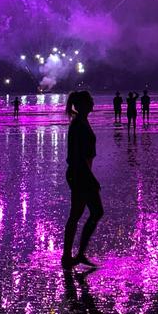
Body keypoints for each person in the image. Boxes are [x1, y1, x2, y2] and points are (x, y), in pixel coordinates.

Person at [63, 91, 104, 269]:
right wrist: (90, 177)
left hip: (79, 172)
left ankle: (73, 255)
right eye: (90, 101)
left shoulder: (81, 122)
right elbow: (77, 156)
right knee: (94, 211)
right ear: (82, 105)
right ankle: (74, 255)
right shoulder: (78, 124)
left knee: (78, 214)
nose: (93, 103)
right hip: (80, 173)